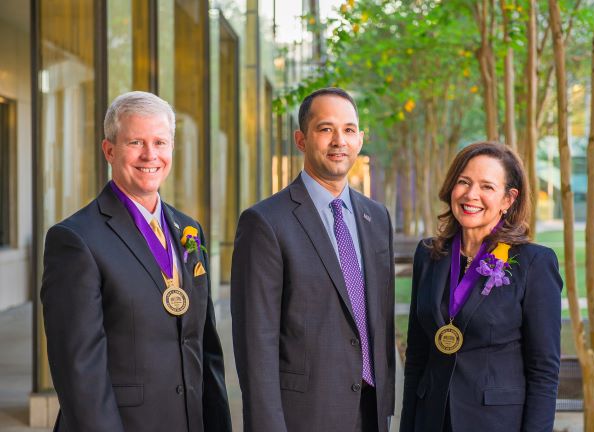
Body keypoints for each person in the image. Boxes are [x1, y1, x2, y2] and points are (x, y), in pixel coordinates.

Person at [41, 91, 231, 432]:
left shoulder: (189, 229)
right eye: (136, 142)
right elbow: (78, 369)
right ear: (109, 150)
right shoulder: (75, 239)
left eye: (160, 142)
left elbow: (205, 348)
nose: (150, 155)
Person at [231, 87, 395, 432]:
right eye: (325, 129)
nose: (339, 141)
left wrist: (387, 406)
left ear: (360, 139)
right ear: (301, 139)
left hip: (370, 411)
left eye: (349, 130)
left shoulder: (376, 218)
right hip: (303, 416)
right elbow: (255, 341)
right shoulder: (265, 223)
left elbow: (379, 319)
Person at [400, 142, 562, 432]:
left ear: (508, 199)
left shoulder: (534, 263)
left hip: (495, 423)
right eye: (463, 182)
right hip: (430, 419)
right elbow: (416, 357)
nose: (471, 194)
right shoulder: (428, 254)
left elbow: (543, 373)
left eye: (487, 186)